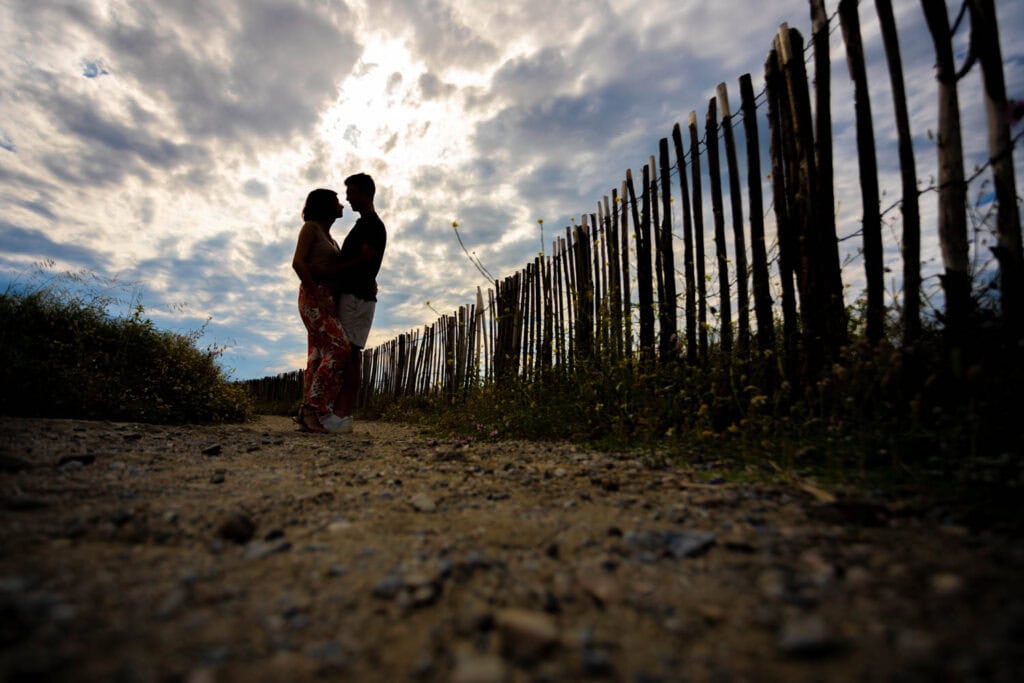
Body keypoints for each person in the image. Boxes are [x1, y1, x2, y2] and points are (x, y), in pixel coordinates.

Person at [325, 173, 387, 433]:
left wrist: (333, 270)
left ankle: (342, 415)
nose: (347, 197)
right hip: (354, 295)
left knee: (350, 354)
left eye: (350, 191)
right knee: (346, 353)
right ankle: (339, 412)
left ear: (363, 192)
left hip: (357, 298)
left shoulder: (372, 224)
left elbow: (365, 260)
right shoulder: (364, 224)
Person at [291, 188, 352, 433]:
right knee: (340, 348)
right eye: (337, 202)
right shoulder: (311, 228)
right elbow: (298, 262)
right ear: (326, 205)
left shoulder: (332, 238)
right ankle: (311, 408)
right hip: (313, 296)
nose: (342, 206)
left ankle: (311, 414)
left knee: (318, 354)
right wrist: (316, 294)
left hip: (327, 298)